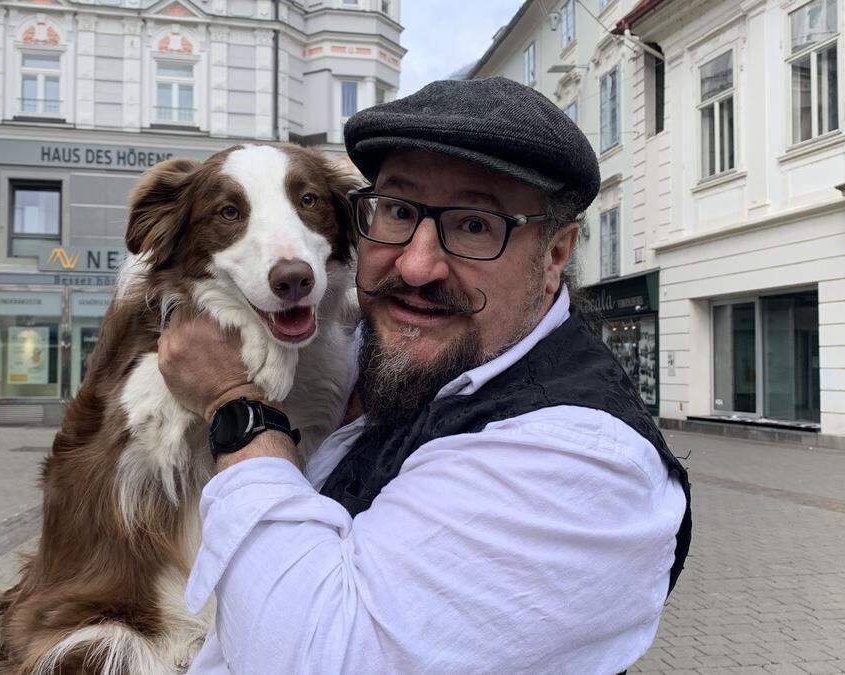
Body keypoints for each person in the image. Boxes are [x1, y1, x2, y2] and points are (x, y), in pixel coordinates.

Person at [158, 78, 691, 673]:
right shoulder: (378, 348)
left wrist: (237, 404)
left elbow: (323, 657)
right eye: (400, 211)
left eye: (474, 226)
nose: (414, 265)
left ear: (556, 255)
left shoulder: (582, 462)